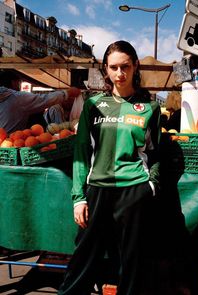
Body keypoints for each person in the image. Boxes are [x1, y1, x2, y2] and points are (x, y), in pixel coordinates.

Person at [58, 40, 161, 295]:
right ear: (106, 69)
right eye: (113, 67)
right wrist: (78, 198)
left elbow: (155, 152)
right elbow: (81, 153)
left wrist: (152, 186)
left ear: (135, 65)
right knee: (83, 259)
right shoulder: (93, 106)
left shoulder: (151, 107)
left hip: (134, 190)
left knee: (131, 262)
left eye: (125, 66)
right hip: (97, 191)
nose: (119, 74)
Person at [0, 70, 80, 133]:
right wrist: (67, 93)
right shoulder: (17, 98)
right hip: (11, 145)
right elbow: (44, 99)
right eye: (19, 83)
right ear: (13, 83)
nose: (19, 86)